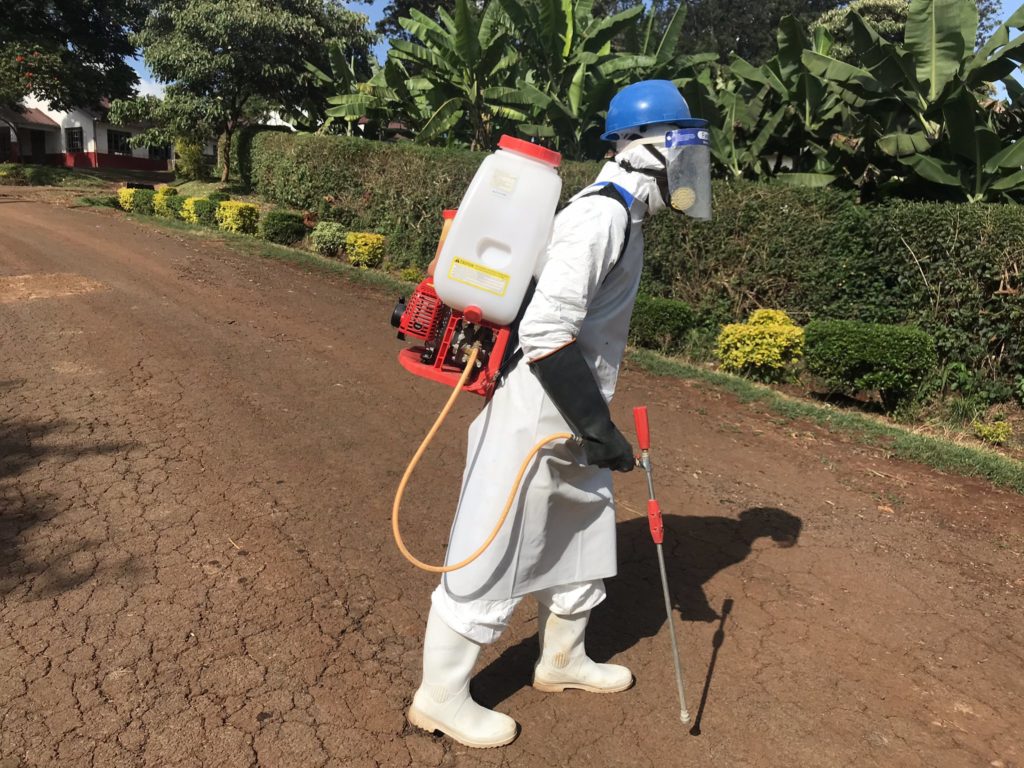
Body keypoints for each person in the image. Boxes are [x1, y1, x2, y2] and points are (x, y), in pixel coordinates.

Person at [407, 80, 712, 749]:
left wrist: (592, 428)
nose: (692, 166)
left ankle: (562, 659)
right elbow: (546, 331)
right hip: (536, 415)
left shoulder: (625, 217)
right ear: (647, 149)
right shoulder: (599, 218)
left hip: (572, 412)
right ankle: (440, 697)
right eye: (683, 146)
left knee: (580, 532)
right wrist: (598, 429)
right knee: (491, 548)